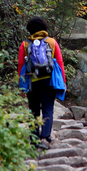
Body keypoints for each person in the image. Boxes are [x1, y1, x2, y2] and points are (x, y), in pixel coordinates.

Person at [18, 16, 66, 150]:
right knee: (47, 109)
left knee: (33, 110)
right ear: (44, 28)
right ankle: (45, 139)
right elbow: (60, 63)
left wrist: (22, 84)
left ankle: (33, 139)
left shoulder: (25, 44)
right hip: (49, 81)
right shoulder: (51, 42)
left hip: (32, 82)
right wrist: (63, 81)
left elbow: (21, 65)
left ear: (30, 29)